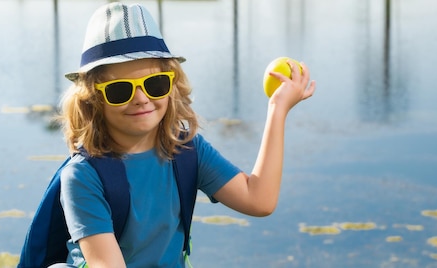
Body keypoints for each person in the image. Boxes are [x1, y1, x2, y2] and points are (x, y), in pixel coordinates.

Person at [53, 2, 316, 268]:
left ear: (171, 85)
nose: (141, 99)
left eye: (155, 84)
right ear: (92, 100)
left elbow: (259, 200)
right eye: (120, 90)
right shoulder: (83, 177)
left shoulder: (186, 150)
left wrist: (278, 109)